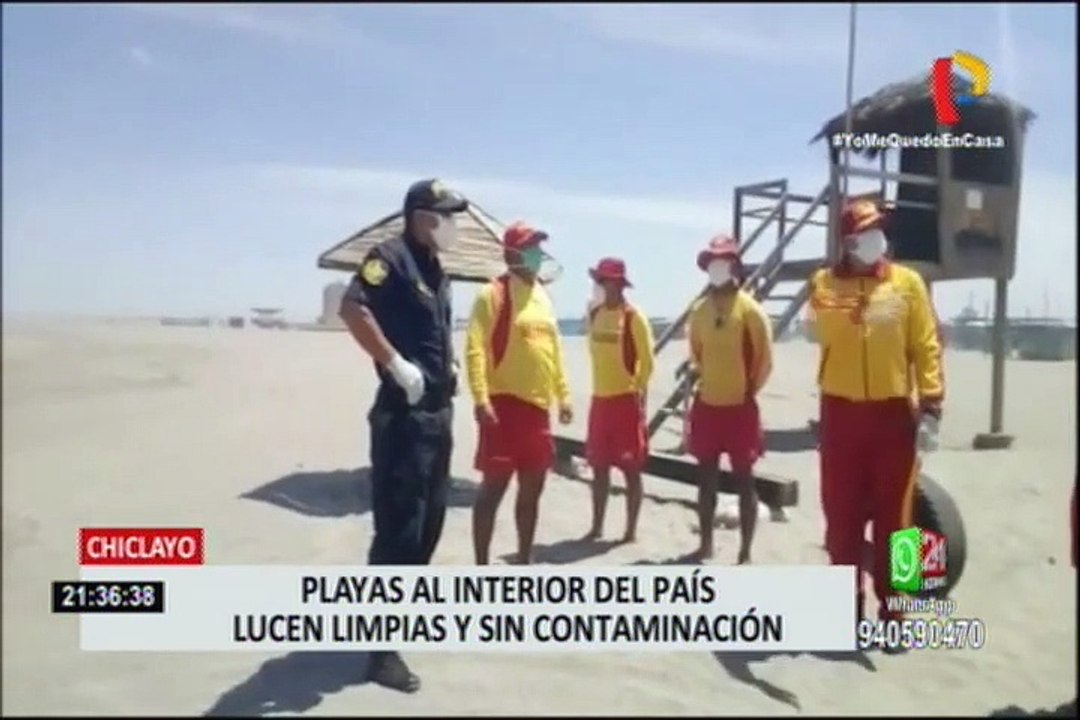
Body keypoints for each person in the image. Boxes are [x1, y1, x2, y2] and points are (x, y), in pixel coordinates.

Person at [337, 178, 468, 693]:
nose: (451, 224)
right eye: (444, 215)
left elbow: (433, 328)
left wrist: (447, 360)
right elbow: (353, 308)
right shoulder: (388, 258)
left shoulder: (437, 269)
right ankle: (380, 652)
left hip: (438, 417)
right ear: (418, 216)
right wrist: (394, 363)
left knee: (429, 528)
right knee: (399, 533)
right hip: (404, 417)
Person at [806, 198, 945, 647]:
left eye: (879, 230)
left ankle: (897, 611)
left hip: (892, 416)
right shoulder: (823, 284)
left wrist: (932, 405)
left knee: (898, 520)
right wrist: (846, 298)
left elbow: (925, 345)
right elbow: (820, 328)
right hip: (841, 415)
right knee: (841, 519)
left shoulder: (907, 284)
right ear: (847, 241)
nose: (876, 239)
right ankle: (845, 611)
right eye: (865, 232)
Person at [466, 221, 573, 565]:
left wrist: (564, 394)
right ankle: (481, 567)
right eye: (530, 247)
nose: (537, 254)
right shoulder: (493, 294)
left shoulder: (543, 294)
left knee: (531, 494)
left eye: (539, 248)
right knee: (492, 492)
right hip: (503, 406)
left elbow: (553, 349)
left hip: (538, 411)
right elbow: (475, 348)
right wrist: (481, 398)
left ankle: (524, 562)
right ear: (511, 253)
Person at [685, 236, 773, 563]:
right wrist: (707, 380)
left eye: (723, 260)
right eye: (712, 261)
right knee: (705, 481)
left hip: (740, 409)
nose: (716, 267)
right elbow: (695, 353)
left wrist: (747, 390)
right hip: (707, 406)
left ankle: (745, 552)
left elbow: (764, 360)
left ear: (735, 265)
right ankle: (705, 544)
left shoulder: (750, 310)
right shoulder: (700, 311)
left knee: (744, 481)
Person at [583, 258, 655, 543]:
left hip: (625, 401)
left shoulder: (633, 317)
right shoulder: (595, 314)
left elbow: (647, 362)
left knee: (631, 470)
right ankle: (597, 526)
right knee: (598, 468)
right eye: (598, 281)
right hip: (600, 401)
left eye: (604, 281)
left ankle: (630, 531)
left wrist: (635, 389)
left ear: (618, 284)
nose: (600, 286)